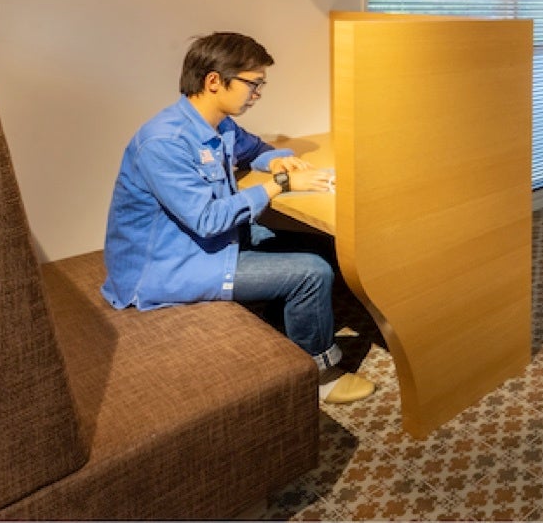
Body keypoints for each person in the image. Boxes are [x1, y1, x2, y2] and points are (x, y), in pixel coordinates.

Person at [102, 32, 374, 405]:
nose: (257, 94)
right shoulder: (164, 142)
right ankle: (320, 374)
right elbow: (207, 220)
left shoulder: (217, 124)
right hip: (169, 264)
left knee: (322, 244)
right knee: (311, 272)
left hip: (211, 242)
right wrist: (280, 184)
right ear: (214, 81)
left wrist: (276, 162)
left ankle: (285, 335)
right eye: (253, 84)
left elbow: (255, 149)